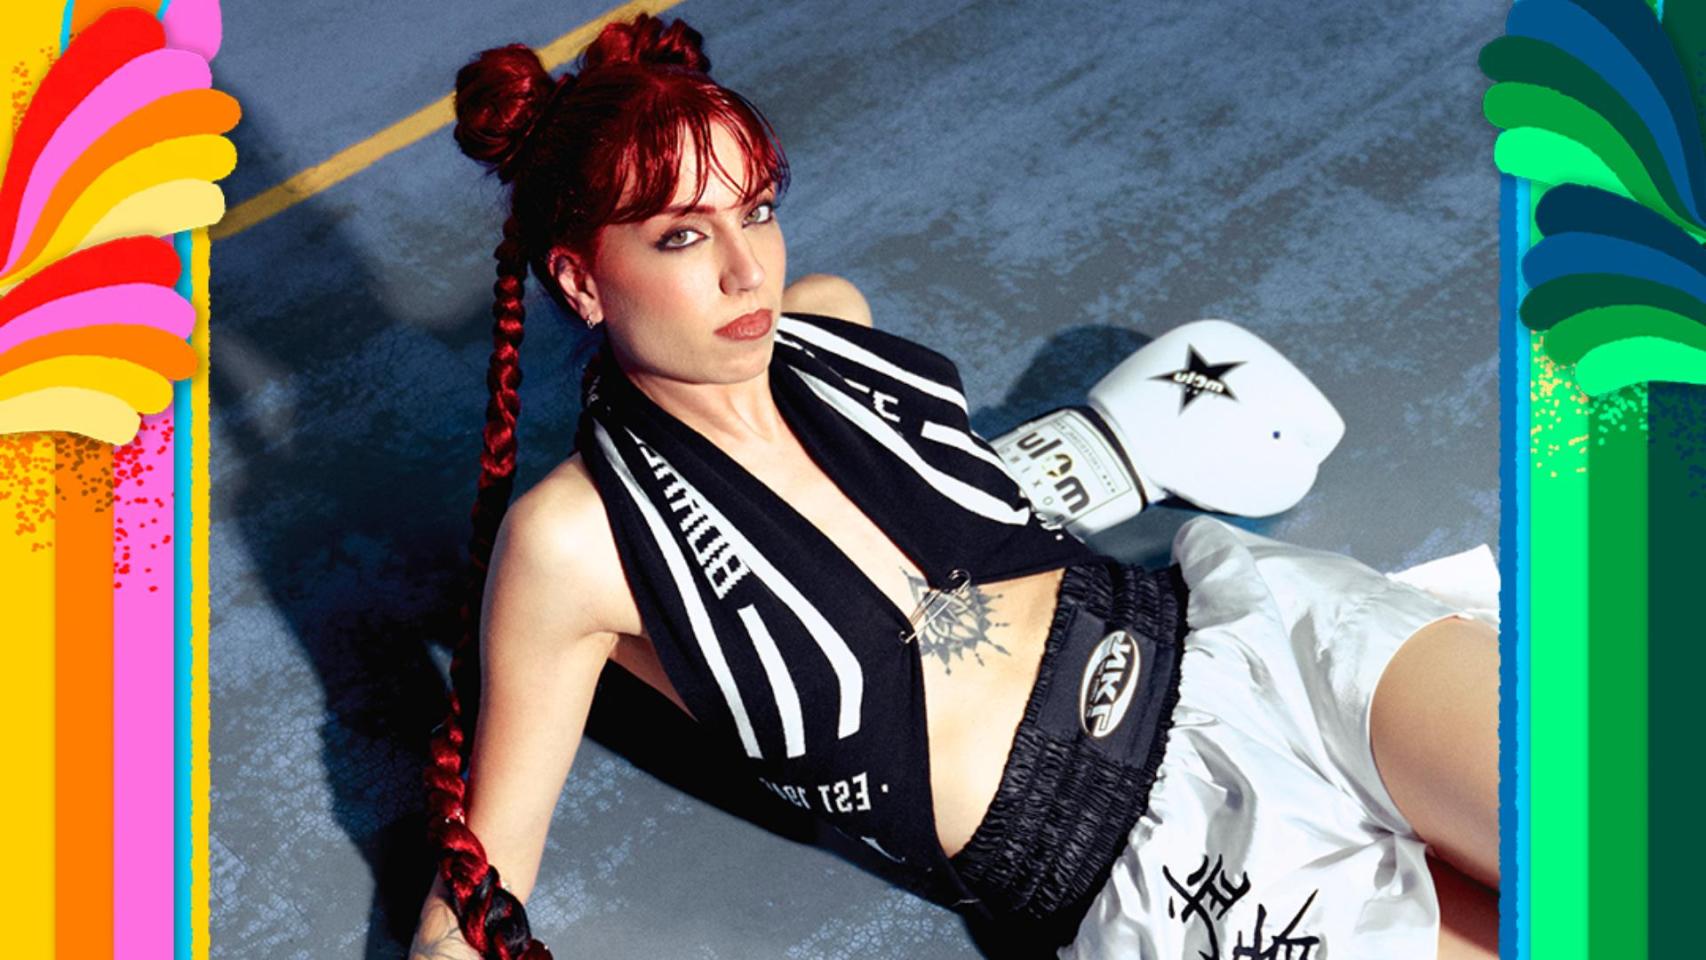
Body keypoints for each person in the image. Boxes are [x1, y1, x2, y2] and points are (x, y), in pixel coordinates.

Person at [410, 13, 1498, 960]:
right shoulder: (573, 542)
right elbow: (476, 895)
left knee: (1599, 855)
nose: (748, 271)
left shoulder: (833, 323)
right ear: (580, 280)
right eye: (683, 235)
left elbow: (930, 513)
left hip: (1252, 644)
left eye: (758, 211)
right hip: (1148, 867)